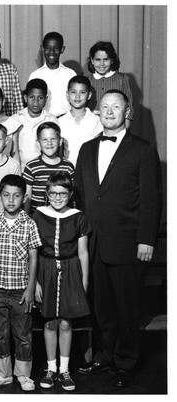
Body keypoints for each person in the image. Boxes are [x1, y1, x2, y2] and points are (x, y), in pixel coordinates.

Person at [74, 90, 162, 388]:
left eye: (117, 106)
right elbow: (81, 197)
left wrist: (146, 240)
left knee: (127, 307)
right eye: (105, 106)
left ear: (128, 112)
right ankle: (103, 356)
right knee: (101, 307)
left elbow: (151, 200)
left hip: (128, 243)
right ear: (97, 111)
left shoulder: (142, 149)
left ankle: (126, 363)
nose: (110, 111)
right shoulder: (86, 149)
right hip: (94, 244)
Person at [0, 174, 41, 391]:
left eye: (16, 196)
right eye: (6, 195)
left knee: (23, 334)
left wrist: (30, 288)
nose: (11, 200)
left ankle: (23, 375)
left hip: (20, 291)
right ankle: (2, 373)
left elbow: (34, 257)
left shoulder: (29, 224)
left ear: (24, 197)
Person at [33, 172, 91, 392]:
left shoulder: (78, 217)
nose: (58, 197)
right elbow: (34, 252)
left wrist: (84, 281)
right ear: (47, 194)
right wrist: (36, 282)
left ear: (70, 194)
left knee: (66, 322)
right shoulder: (38, 215)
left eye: (63, 193)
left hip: (71, 270)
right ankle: (50, 368)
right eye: (53, 193)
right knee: (49, 322)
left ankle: (64, 370)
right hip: (45, 270)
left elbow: (83, 253)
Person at [22, 121, 75, 214]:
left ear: (60, 141)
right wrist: (26, 217)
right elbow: (27, 197)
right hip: (37, 217)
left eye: (53, 139)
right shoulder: (31, 167)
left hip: (62, 216)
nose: (49, 143)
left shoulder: (68, 167)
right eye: (44, 140)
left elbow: (72, 195)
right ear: (38, 143)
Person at [11, 78, 58, 172]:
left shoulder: (51, 120)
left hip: (46, 170)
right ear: (25, 98)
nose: (36, 101)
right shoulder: (15, 120)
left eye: (40, 98)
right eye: (32, 97)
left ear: (46, 99)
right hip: (21, 170)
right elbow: (12, 150)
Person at [86, 41, 134, 128]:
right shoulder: (86, 80)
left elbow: (129, 109)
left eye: (106, 59)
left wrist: (125, 133)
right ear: (92, 61)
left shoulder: (123, 79)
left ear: (112, 60)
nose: (102, 64)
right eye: (98, 60)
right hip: (91, 127)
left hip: (116, 127)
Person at [28, 31, 76, 118]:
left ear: (62, 49)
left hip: (66, 120)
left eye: (56, 48)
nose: (51, 52)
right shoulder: (35, 75)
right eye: (48, 48)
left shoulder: (70, 74)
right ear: (42, 48)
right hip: (43, 120)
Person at [58, 75, 103, 166]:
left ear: (89, 95)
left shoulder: (96, 120)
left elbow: (100, 149)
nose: (77, 96)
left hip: (90, 168)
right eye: (73, 92)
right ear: (67, 95)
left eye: (82, 92)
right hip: (67, 169)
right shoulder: (60, 121)